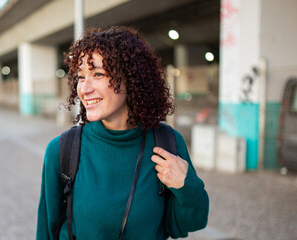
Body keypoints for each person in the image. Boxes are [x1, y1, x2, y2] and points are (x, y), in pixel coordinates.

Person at [36, 26, 209, 239]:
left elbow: (187, 224)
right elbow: (46, 230)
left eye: (98, 74)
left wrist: (187, 186)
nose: (84, 88)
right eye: (81, 76)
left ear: (131, 78)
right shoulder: (62, 151)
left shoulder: (167, 144)